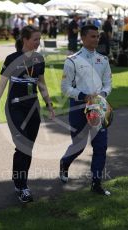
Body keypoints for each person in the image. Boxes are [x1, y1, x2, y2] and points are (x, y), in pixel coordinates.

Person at [0, 25, 55, 203]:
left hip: (33, 108)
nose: (38, 42)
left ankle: (19, 179)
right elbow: (2, 83)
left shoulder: (39, 59)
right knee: (23, 146)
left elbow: (41, 84)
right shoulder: (12, 58)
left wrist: (49, 104)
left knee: (28, 148)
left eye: (40, 39)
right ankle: (21, 186)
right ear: (25, 40)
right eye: (35, 39)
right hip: (15, 108)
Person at [60, 25, 112, 196]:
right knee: (79, 146)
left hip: (98, 108)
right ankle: (65, 163)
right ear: (82, 38)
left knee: (100, 146)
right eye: (92, 36)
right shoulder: (72, 60)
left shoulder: (103, 60)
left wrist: (101, 95)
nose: (96, 39)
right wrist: (83, 96)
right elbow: (65, 88)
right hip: (78, 108)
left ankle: (96, 183)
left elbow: (108, 84)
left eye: (97, 36)